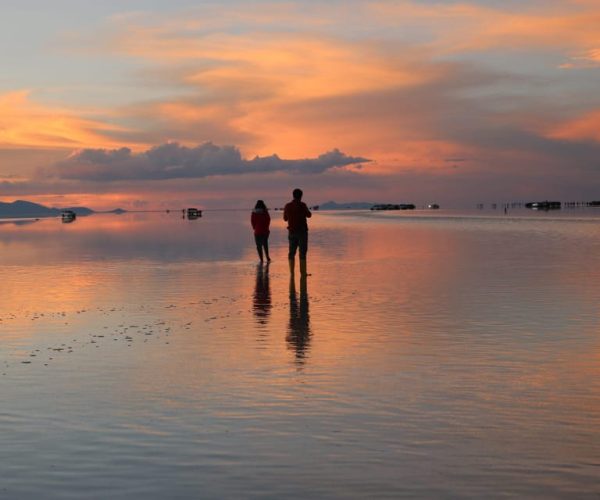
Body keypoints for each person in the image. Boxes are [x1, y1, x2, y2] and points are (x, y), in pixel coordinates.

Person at [283, 188, 311, 276]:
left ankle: (292, 273)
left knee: (291, 252)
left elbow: (285, 219)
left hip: (291, 232)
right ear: (301, 196)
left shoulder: (287, 206)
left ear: (293, 195)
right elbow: (309, 215)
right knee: (302, 252)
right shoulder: (303, 205)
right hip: (302, 232)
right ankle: (303, 273)